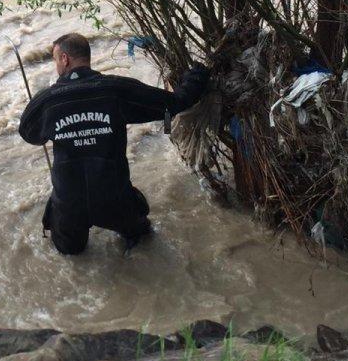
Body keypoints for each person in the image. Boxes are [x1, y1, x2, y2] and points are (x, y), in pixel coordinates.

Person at [19, 33, 209, 255]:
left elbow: (29, 134)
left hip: (69, 202)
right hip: (113, 197)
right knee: (141, 238)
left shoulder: (46, 101)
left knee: (69, 254)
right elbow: (173, 104)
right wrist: (198, 73)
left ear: (64, 59)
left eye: (55, 60)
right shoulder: (116, 89)